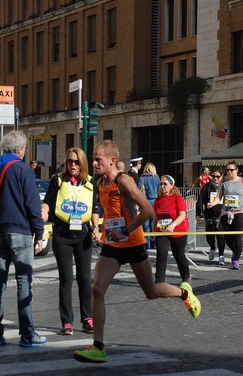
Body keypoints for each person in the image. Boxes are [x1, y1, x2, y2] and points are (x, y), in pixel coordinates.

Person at [73, 140, 201, 364]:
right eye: (93, 159)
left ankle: (184, 294)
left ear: (112, 161)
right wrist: (98, 226)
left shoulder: (125, 181)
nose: (93, 163)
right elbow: (102, 209)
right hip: (112, 245)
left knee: (151, 291)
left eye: (98, 159)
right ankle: (98, 347)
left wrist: (126, 230)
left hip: (132, 244)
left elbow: (148, 210)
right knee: (97, 289)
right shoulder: (100, 182)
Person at [0, 131, 47, 347]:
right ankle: (27, 334)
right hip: (20, 231)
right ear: (20, 150)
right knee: (24, 281)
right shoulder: (22, 170)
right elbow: (32, 204)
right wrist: (39, 233)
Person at [41, 147, 100, 336]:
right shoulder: (57, 180)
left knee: (84, 279)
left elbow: (95, 208)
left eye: (76, 162)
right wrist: (42, 210)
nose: (72, 165)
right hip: (62, 235)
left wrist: (96, 228)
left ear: (82, 163)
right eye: (69, 161)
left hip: (83, 235)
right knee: (66, 279)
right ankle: (67, 322)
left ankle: (87, 318)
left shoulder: (91, 183)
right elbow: (47, 201)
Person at [207, 161, 243, 270]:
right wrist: (212, 203)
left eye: (231, 170)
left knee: (237, 236)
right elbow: (219, 197)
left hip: (241, 211)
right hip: (227, 212)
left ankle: (235, 260)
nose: (229, 172)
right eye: (228, 170)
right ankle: (236, 251)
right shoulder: (224, 183)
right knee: (226, 237)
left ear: (237, 170)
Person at [153, 174, 190, 283]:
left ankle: (186, 277)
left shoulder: (177, 198)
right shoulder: (158, 200)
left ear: (172, 186)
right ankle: (159, 282)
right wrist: (154, 231)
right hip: (162, 231)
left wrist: (172, 225)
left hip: (178, 230)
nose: (162, 186)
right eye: (161, 184)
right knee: (161, 254)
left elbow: (182, 214)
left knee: (178, 254)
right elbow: (156, 217)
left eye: (165, 184)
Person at [196, 168, 225, 264]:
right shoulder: (206, 187)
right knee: (209, 236)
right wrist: (198, 213)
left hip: (221, 216)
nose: (215, 178)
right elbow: (200, 201)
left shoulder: (225, 187)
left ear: (222, 177)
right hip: (209, 215)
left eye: (218, 176)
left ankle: (221, 255)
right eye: (213, 176)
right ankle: (212, 247)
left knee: (221, 237)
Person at [138, 162, 160, 249]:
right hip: (155, 201)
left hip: (146, 202)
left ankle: (147, 244)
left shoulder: (142, 178)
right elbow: (159, 190)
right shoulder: (157, 178)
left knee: (145, 224)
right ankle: (154, 243)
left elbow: (138, 189)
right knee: (153, 223)